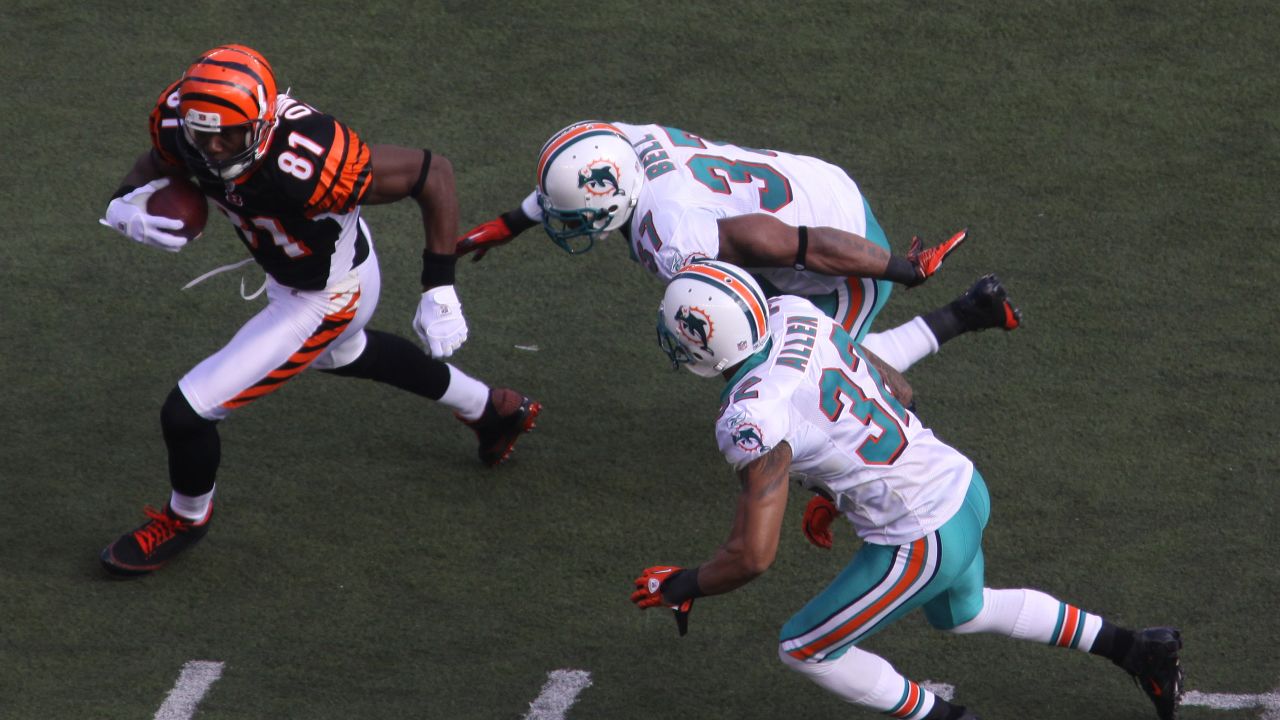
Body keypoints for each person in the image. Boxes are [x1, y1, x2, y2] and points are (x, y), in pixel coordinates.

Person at [629, 260, 1183, 720]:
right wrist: (839, 492)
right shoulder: (798, 316)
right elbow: (897, 388)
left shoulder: (751, 415)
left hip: (922, 534)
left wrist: (684, 585)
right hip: (961, 483)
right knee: (961, 614)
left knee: (804, 649)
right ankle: (1138, 650)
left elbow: (752, 555)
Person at [97, 45, 541, 576]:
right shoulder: (184, 123)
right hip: (299, 269)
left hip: (328, 294)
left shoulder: (309, 161)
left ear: (262, 122)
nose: (213, 147)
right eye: (202, 133)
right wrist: (125, 199)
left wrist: (439, 286)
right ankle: (492, 410)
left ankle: (186, 518)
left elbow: (433, 174)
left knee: (187, 413)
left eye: (229, 134)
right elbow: (163, 159)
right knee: (345, 354)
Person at [456, 121, 1020, 377]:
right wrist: (515, 220)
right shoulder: (616, 140)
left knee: (817, 373)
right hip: (806, 184)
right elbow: (583, 180)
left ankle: (964, 318)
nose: (566, 223)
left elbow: (790, 245)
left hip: (839, 249)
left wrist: (902, 269)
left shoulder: (673, 233)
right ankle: (976, 308)